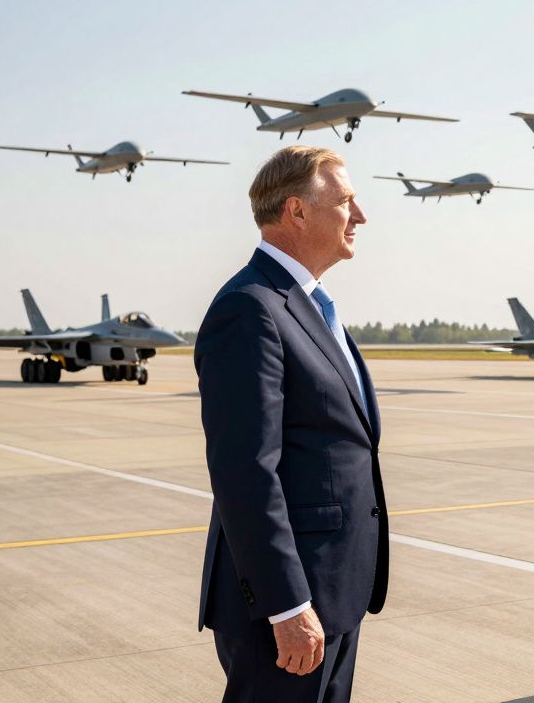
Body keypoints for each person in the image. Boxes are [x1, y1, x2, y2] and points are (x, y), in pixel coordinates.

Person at [194, 146, 386, 703]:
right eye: (346, 201)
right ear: (296, 211)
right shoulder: (250, 308)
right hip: (288, 607)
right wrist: (287, 606)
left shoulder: (308, 306)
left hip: (334, 591)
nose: (360, 215)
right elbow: (245, 472)